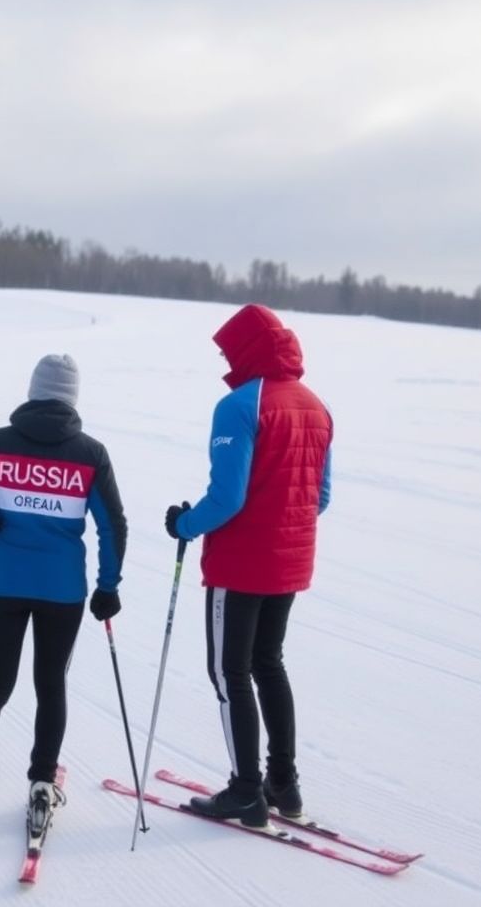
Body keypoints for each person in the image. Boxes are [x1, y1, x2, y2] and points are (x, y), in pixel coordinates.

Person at [0, 353, 127, 830]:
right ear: (73, 397)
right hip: (61, 591)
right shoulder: (90, 453)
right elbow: (113, 526)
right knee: (51, 686)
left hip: (2, 583)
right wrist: (108, 586)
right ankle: (43, 782)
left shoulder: (0, 443)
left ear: (32, 390)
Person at [164, 304, 332, 828]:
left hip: (240, 565)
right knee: (268, 663)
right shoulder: (316, 406)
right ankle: (283, 783)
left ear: (248, 350)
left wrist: (185, 525)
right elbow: (319, 496)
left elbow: (228, 497)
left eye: (228, 350)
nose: (224, 358)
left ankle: (245, 791)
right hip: (290, 561)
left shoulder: (238, 406)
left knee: (228, 671)